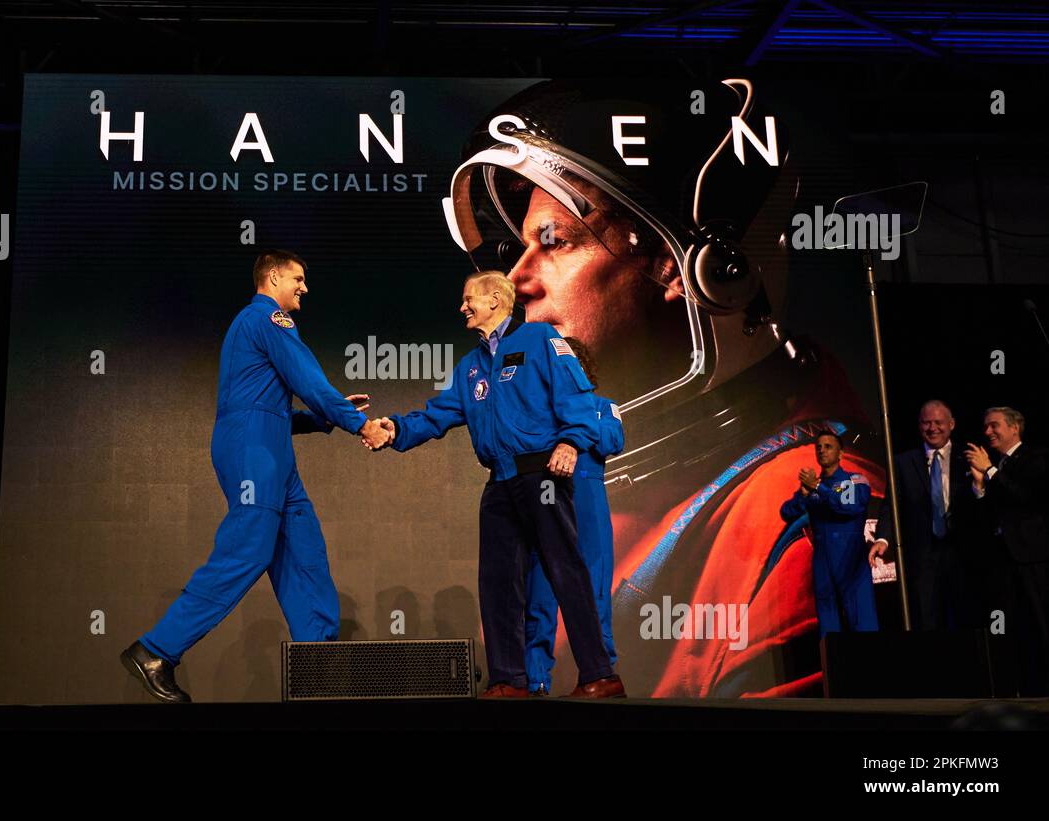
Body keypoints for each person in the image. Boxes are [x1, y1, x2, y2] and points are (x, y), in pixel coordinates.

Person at [440, 78, 887, 696]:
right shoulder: (607, 485)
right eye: (519, 249)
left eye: (554, 242)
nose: (516, 281)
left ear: (685, 268)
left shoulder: (787, 534)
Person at [120, 250, 390, 703]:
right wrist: (356, 423)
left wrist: (327, 417)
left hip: (270, 446)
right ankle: (156, 651)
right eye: (298, 278)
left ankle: (317, 667)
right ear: (272, 277)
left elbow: (274, 407)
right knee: (249, 548)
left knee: (303, 550)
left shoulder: (255, 327)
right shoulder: (268, 319)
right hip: (253, 449)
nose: (305, 287)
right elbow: (306, 380)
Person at [371, 271, 624, 698]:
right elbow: (436, 416)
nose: (462, 307)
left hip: (541, 475)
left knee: (566, 571)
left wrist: (570, 441)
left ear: (495, 300)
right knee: (498, 581)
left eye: (469, 299)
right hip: (500, 483)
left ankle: (600, 674)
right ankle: (509, 679)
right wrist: (394, 430)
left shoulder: (541, 340)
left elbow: (576, 396)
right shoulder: (470, 368)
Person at [523, 337, 624, 695]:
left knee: (595, 598)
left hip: (588, 510)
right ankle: (534, 682)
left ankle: (600, 676)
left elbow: (614, 441)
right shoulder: (538, 411)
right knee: (540, 598)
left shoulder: (603, 406)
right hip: (548, 506)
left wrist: (575, 423)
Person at [867, 400, 978, 629]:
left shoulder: (968, 457)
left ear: (952, 424)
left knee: (965, 617)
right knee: (926, 619)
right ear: (919, 426)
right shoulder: (903, 462)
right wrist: (882, 538)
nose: (932, 428)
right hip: (922, 555)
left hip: (963, 552)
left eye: (938, 422)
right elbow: (891, 504)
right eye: (926, 423)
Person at [965, 406, 1049, 695]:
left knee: (1041, 625)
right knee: (1013, 629)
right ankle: (1025, 689)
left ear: (1015, 428)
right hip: (1003, 562)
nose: (987, 432)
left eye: (994, 426)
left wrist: (989, 471)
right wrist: (980, 488)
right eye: (985, 427)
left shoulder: (1035, 458)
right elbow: (991, 515)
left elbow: (1024, 496)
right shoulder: (998, 467)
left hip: (1033, 559)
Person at [780, 430, 878, 637]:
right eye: (819, 447)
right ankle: (834, 669)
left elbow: (848, 506)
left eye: (828, 446)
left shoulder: (855, 480)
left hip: (851, 562)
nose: (822, 450)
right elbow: (786, 512)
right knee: (828, 630)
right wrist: (804, 495)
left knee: (863, 625)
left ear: (841, 453)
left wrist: (817, 486)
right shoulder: (813, 486)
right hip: (823, 563)